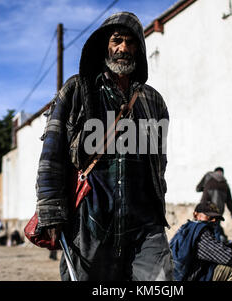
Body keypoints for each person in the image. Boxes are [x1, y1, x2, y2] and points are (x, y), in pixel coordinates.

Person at [35, 12, 172, 281]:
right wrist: (50, 210)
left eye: (131, 43)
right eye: (117, 40)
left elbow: (159, 164)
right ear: (104, 46)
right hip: (91, 224)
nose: (123, 48)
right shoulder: (77, 91)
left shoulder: (153, 102)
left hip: (145, 226)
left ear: (140, 50)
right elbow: (52, 154)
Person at [170, 202, 232, 281]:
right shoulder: (200, 231)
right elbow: (228, 257)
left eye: (216, 218)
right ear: (196, 215)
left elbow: (215, 250)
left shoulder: (186, 228)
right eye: (210, 217)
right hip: (189, 278)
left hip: (179, 276)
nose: (214, 220)